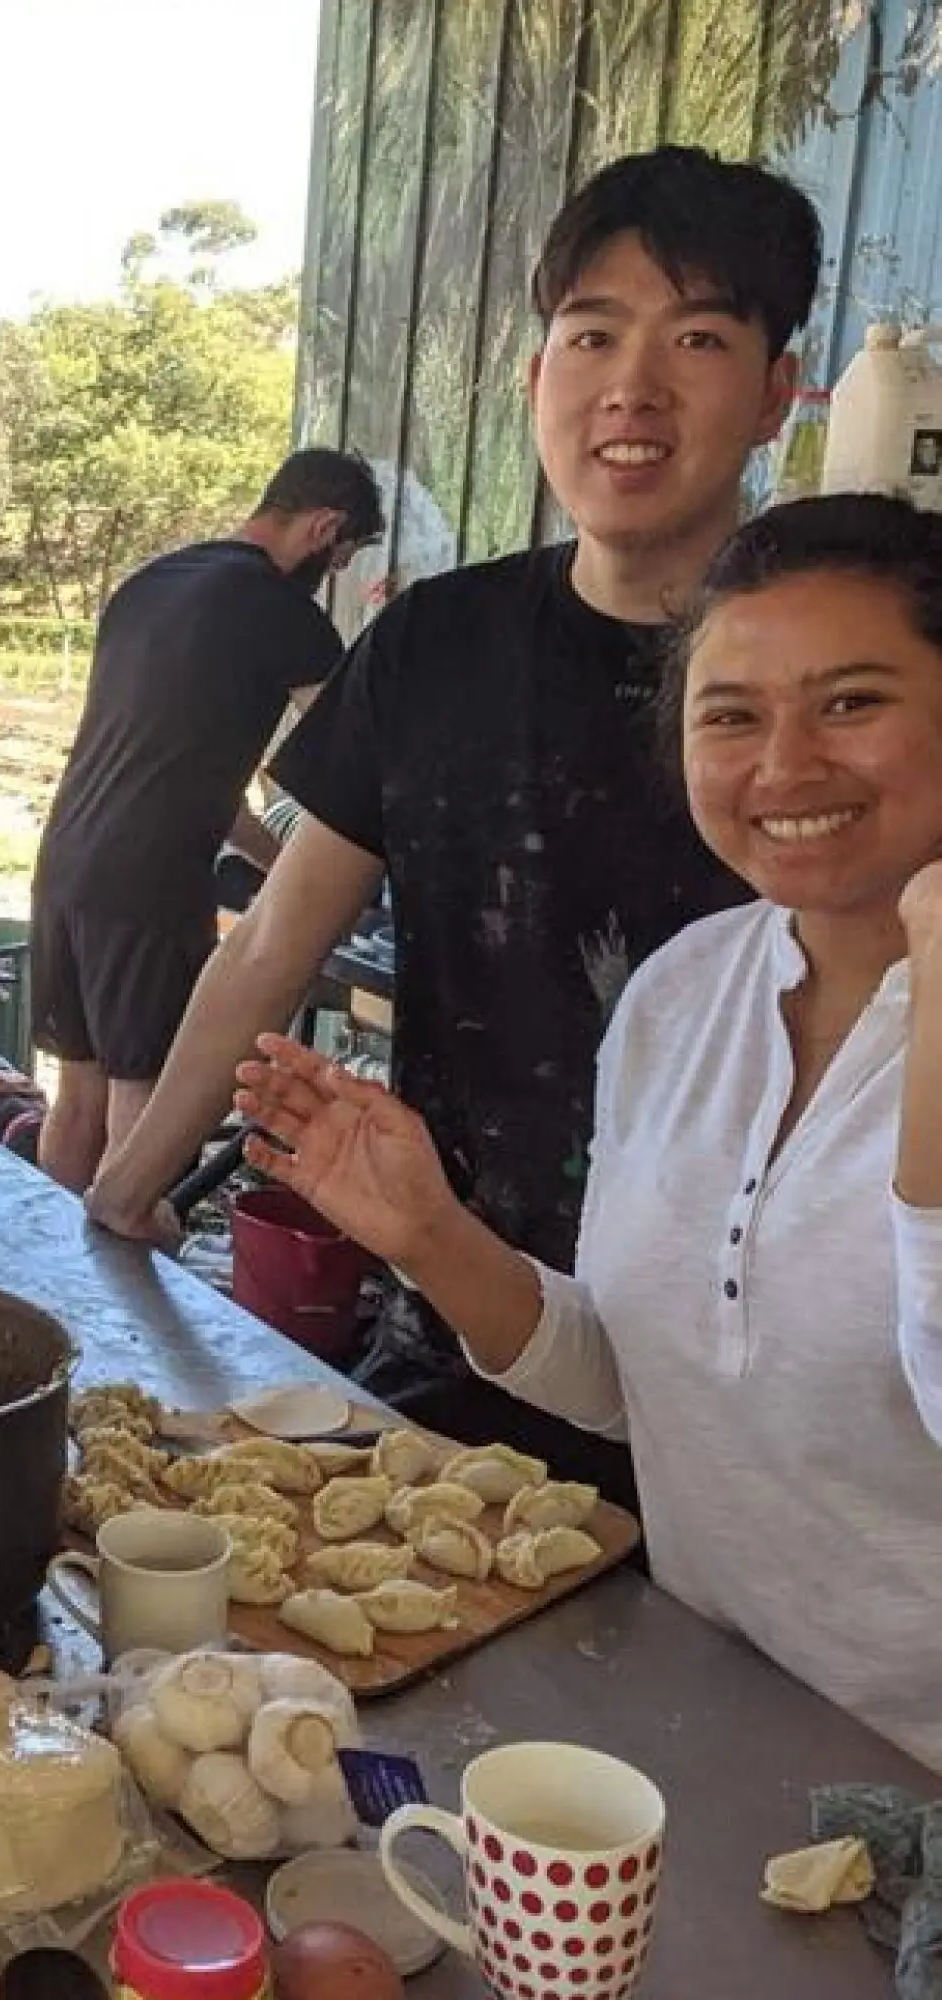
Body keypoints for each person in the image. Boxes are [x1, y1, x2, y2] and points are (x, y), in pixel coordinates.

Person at [88, 147, 823, 1511]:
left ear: (777, 389)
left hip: (749, 1406)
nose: (631, 387)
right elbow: (271, 948)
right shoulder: (433, 643)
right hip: (450, 1347)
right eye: (589, 333)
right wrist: (120, 1195)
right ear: (532, 371)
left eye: (698, 339)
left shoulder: (823, 679)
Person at [236, 494, 942, 1770]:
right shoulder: (680, 995)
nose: (781, 764)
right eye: (728, 714)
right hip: (711, 1720)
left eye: (849, 701)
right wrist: (432, 1234)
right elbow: (646, 1391)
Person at [30, 448, 384, 1193]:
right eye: (344, 556)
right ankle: (125, 1304)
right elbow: (362, 764)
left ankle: (53, 1299)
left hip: (65, 863)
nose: (336, 575)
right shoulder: (281, 612)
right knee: (147, 1110)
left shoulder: (148, 585)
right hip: (146, 885)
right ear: (324, 527)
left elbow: (179, 772)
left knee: (78, 1101)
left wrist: (272, 864)